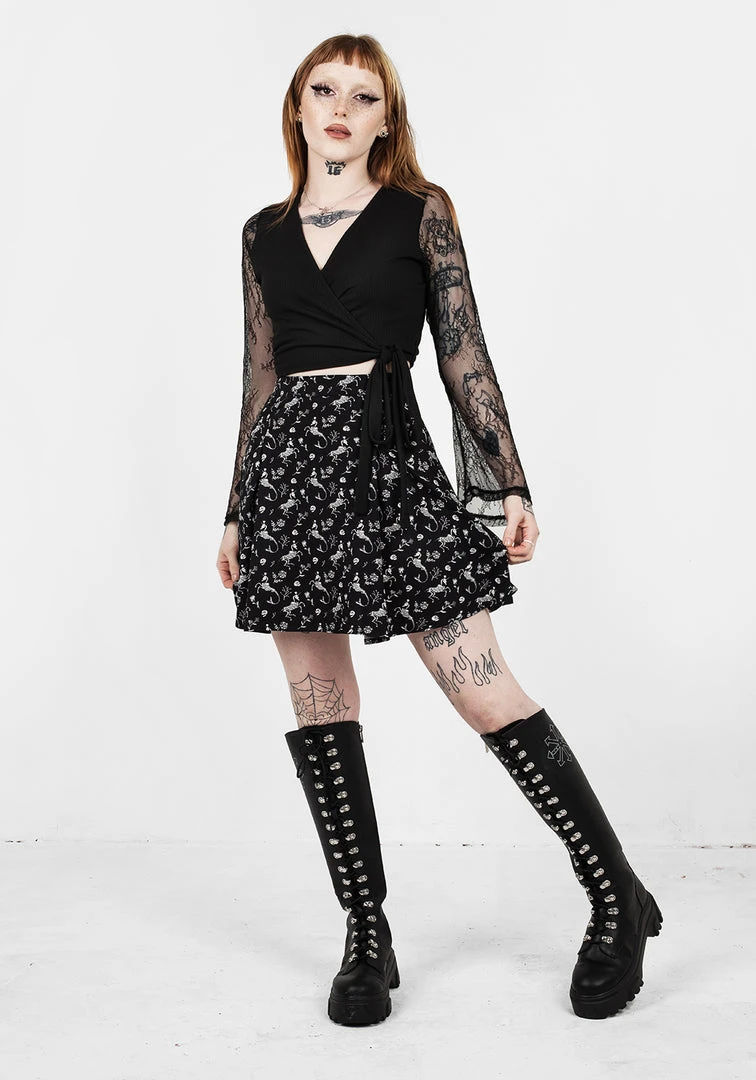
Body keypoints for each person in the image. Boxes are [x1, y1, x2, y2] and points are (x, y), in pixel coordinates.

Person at [215, 33, 663, 1027]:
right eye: (323, 90)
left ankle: (617, 896)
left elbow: (464, 354)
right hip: (290, 483)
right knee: (321, 703)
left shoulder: (421, 213)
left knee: (482, 689)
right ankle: (366, 935)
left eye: (363, 96)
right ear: (297, 108)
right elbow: (260, 378)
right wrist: (239, 508)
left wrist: (505, 482)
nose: (340, 109)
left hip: (391, 470)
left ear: (387, 119)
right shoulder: (261, 234)